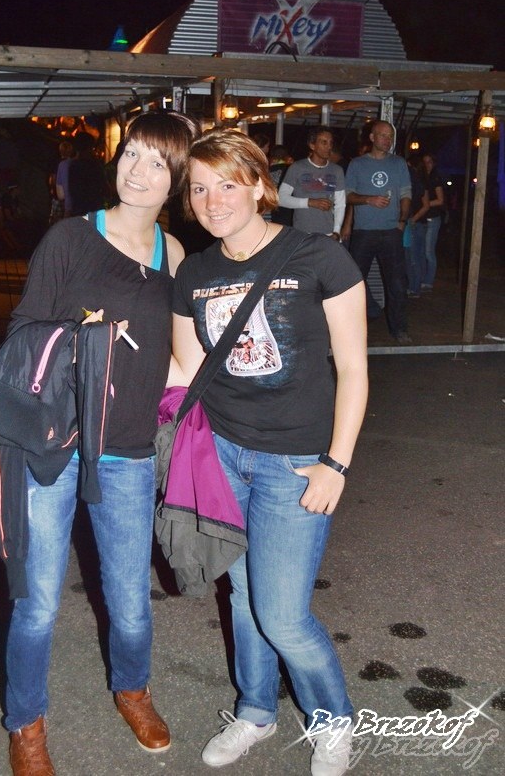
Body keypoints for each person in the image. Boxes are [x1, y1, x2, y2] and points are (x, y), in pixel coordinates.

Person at [0, 111, 198, 775]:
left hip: (129, 448)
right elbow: (23, 334)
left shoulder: (175, 256)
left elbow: (180, 362)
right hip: (54, 444)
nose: (137, 171)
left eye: (157, 163)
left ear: (176, 180)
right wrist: (84, 340)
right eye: (132, 153)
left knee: (131, 601)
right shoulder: (69, 238)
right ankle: (26, 722)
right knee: (36, 602)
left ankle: (132, 690)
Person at [171, 129, 368, 775]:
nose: (213, 201)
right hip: (223, 455)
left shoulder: (319, 256)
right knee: (242, 595)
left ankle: (333, 721)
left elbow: (354, 370)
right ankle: (256, 710)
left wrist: (336, 463)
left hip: (295, 463)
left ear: (260, 185)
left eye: (228, 184)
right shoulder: (194, 273)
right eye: (200, 188)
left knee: (282, 615)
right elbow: (187, 371)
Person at [345, 120, 412, 344]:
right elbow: (348, 195)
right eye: (383, 135)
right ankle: (351, 329)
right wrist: (368, 199)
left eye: (390, 136)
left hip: (391, 231)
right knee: (354, 282)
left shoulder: (398, 163)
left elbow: (406, 194)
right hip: (364, 232)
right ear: (372, 137)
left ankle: (399, 329)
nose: (387, 140)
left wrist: (402, 221)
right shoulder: (357, 164)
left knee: (397, 283)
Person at [278, 126, 346, 239]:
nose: (329, 147)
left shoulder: (337, 170)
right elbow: (281, 199)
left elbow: (340, 204)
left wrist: (336, 231)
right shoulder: (297, 167)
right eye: (324, 142)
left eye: (331, 143)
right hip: (302, 234)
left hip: (328, 234)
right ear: (312, 145)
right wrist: (310, 202)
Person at [420, 153, 444, 291]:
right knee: (422, 250)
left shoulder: (436, 178)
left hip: (433, 218)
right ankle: (422, 278)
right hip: (423, 218)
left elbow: (440, 200)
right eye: (425, 162)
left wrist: (425, 204)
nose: (427, 165)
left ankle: (429, 281)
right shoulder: (423, 178)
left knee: (429, 251)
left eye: (429, 162)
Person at [405, 161, 429, 298]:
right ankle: (413, 286)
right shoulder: (410, 185)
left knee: (414, 257)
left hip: (416, 223)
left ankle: (415, 288)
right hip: (413, 223)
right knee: (412, 257)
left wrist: (412, 219)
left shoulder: (419, 184)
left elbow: (426, 205)